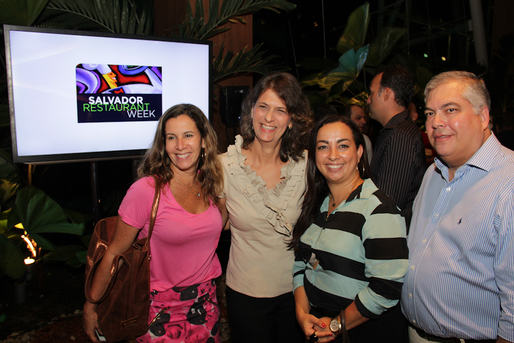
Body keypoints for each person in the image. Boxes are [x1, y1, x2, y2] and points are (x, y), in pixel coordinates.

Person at [83, 104, 227, 343]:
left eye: (188, 135)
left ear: (203, 141)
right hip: (157, 313)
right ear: (164, 144)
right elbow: (115, 253)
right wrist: (91, 304)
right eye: (172, 137)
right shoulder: (147, 190)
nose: (180, 145)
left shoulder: (211, 185)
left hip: (206, 307)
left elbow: (216, 227)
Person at [401, 71, 514, 343]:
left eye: (450, 110)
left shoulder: (508, 183)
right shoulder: (433, 174)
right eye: (429, 113)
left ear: (484, 117)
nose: (436, 122)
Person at [290, 115, 408, 343]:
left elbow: (386, 289)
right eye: (323, 147)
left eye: (343, 145)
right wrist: (302, 313)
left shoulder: (379, 209)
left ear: (360, 153)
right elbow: (301, 264)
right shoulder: (319, 204)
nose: (333, 155)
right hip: (318, 326)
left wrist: (335, 325)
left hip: (361, 332)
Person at [221, 72, 312, 343]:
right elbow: (211, 225)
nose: (269, 118)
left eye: (280, 110)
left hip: (296, 293)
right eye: (263, 106)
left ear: (292, 118)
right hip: (244, 295)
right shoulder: (225, 166)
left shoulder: (307, 167)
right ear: (251, 110)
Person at [367, 64, 425, 229]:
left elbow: (387, 205)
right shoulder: (394, 131)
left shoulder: (400, 136)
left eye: (371, 93)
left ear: (386, 94)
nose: (368, 100)